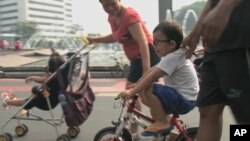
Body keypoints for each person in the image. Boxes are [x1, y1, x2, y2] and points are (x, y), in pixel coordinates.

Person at [87, 0, 160, 139]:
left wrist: (146, 71)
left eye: (112, 3)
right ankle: (148, 126)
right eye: (105, 6)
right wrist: (94, 40)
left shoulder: (129, 16)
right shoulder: (112, 17)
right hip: (137, 59)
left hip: (146, 56)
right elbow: (115, 37)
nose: (109, 8)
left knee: (137, 93)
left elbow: (143, 42)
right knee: (139, 95)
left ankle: (159, 123)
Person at [182, 0, 250, 141]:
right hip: (215, 46)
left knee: (244, 117)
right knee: (208, 110)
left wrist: (225, 6)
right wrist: (197, 29)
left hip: (241, 40)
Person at [120, 20, 199, 133]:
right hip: (184, 98)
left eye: (157, 43)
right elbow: (152, 70)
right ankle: (171, 133)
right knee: (154, 109)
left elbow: (152, 77)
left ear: (171, 44)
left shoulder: (173, 58)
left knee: (150, 88)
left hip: (183, 100)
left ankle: (163, 122)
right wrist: (137, 85)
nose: (154, 46)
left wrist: (132, 92)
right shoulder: (173, 55)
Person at [2, 49, 69, 111]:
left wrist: (34, 79)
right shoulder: (62, 76)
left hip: (47, 102)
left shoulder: (53, 78)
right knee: (34, 92)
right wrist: (33, 78)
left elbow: (43, 80)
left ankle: (7, 101)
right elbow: (43, 80)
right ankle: (15, 100)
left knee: (32, 99)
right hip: (49, 99)